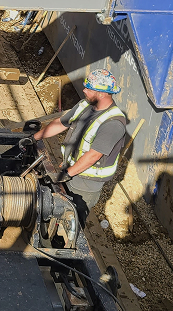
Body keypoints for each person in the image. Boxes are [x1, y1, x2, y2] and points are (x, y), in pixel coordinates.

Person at [32, 68, 128, 224]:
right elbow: (61, 123)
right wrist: (33, 138)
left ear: (102, 94)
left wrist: (67, 174)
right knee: (52, 211)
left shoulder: (113, 123)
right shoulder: (85, 105)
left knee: (70, 221)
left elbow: (93, 155)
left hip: (85, 185)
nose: (84, 90)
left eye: (88, 89)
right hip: (70, 171)